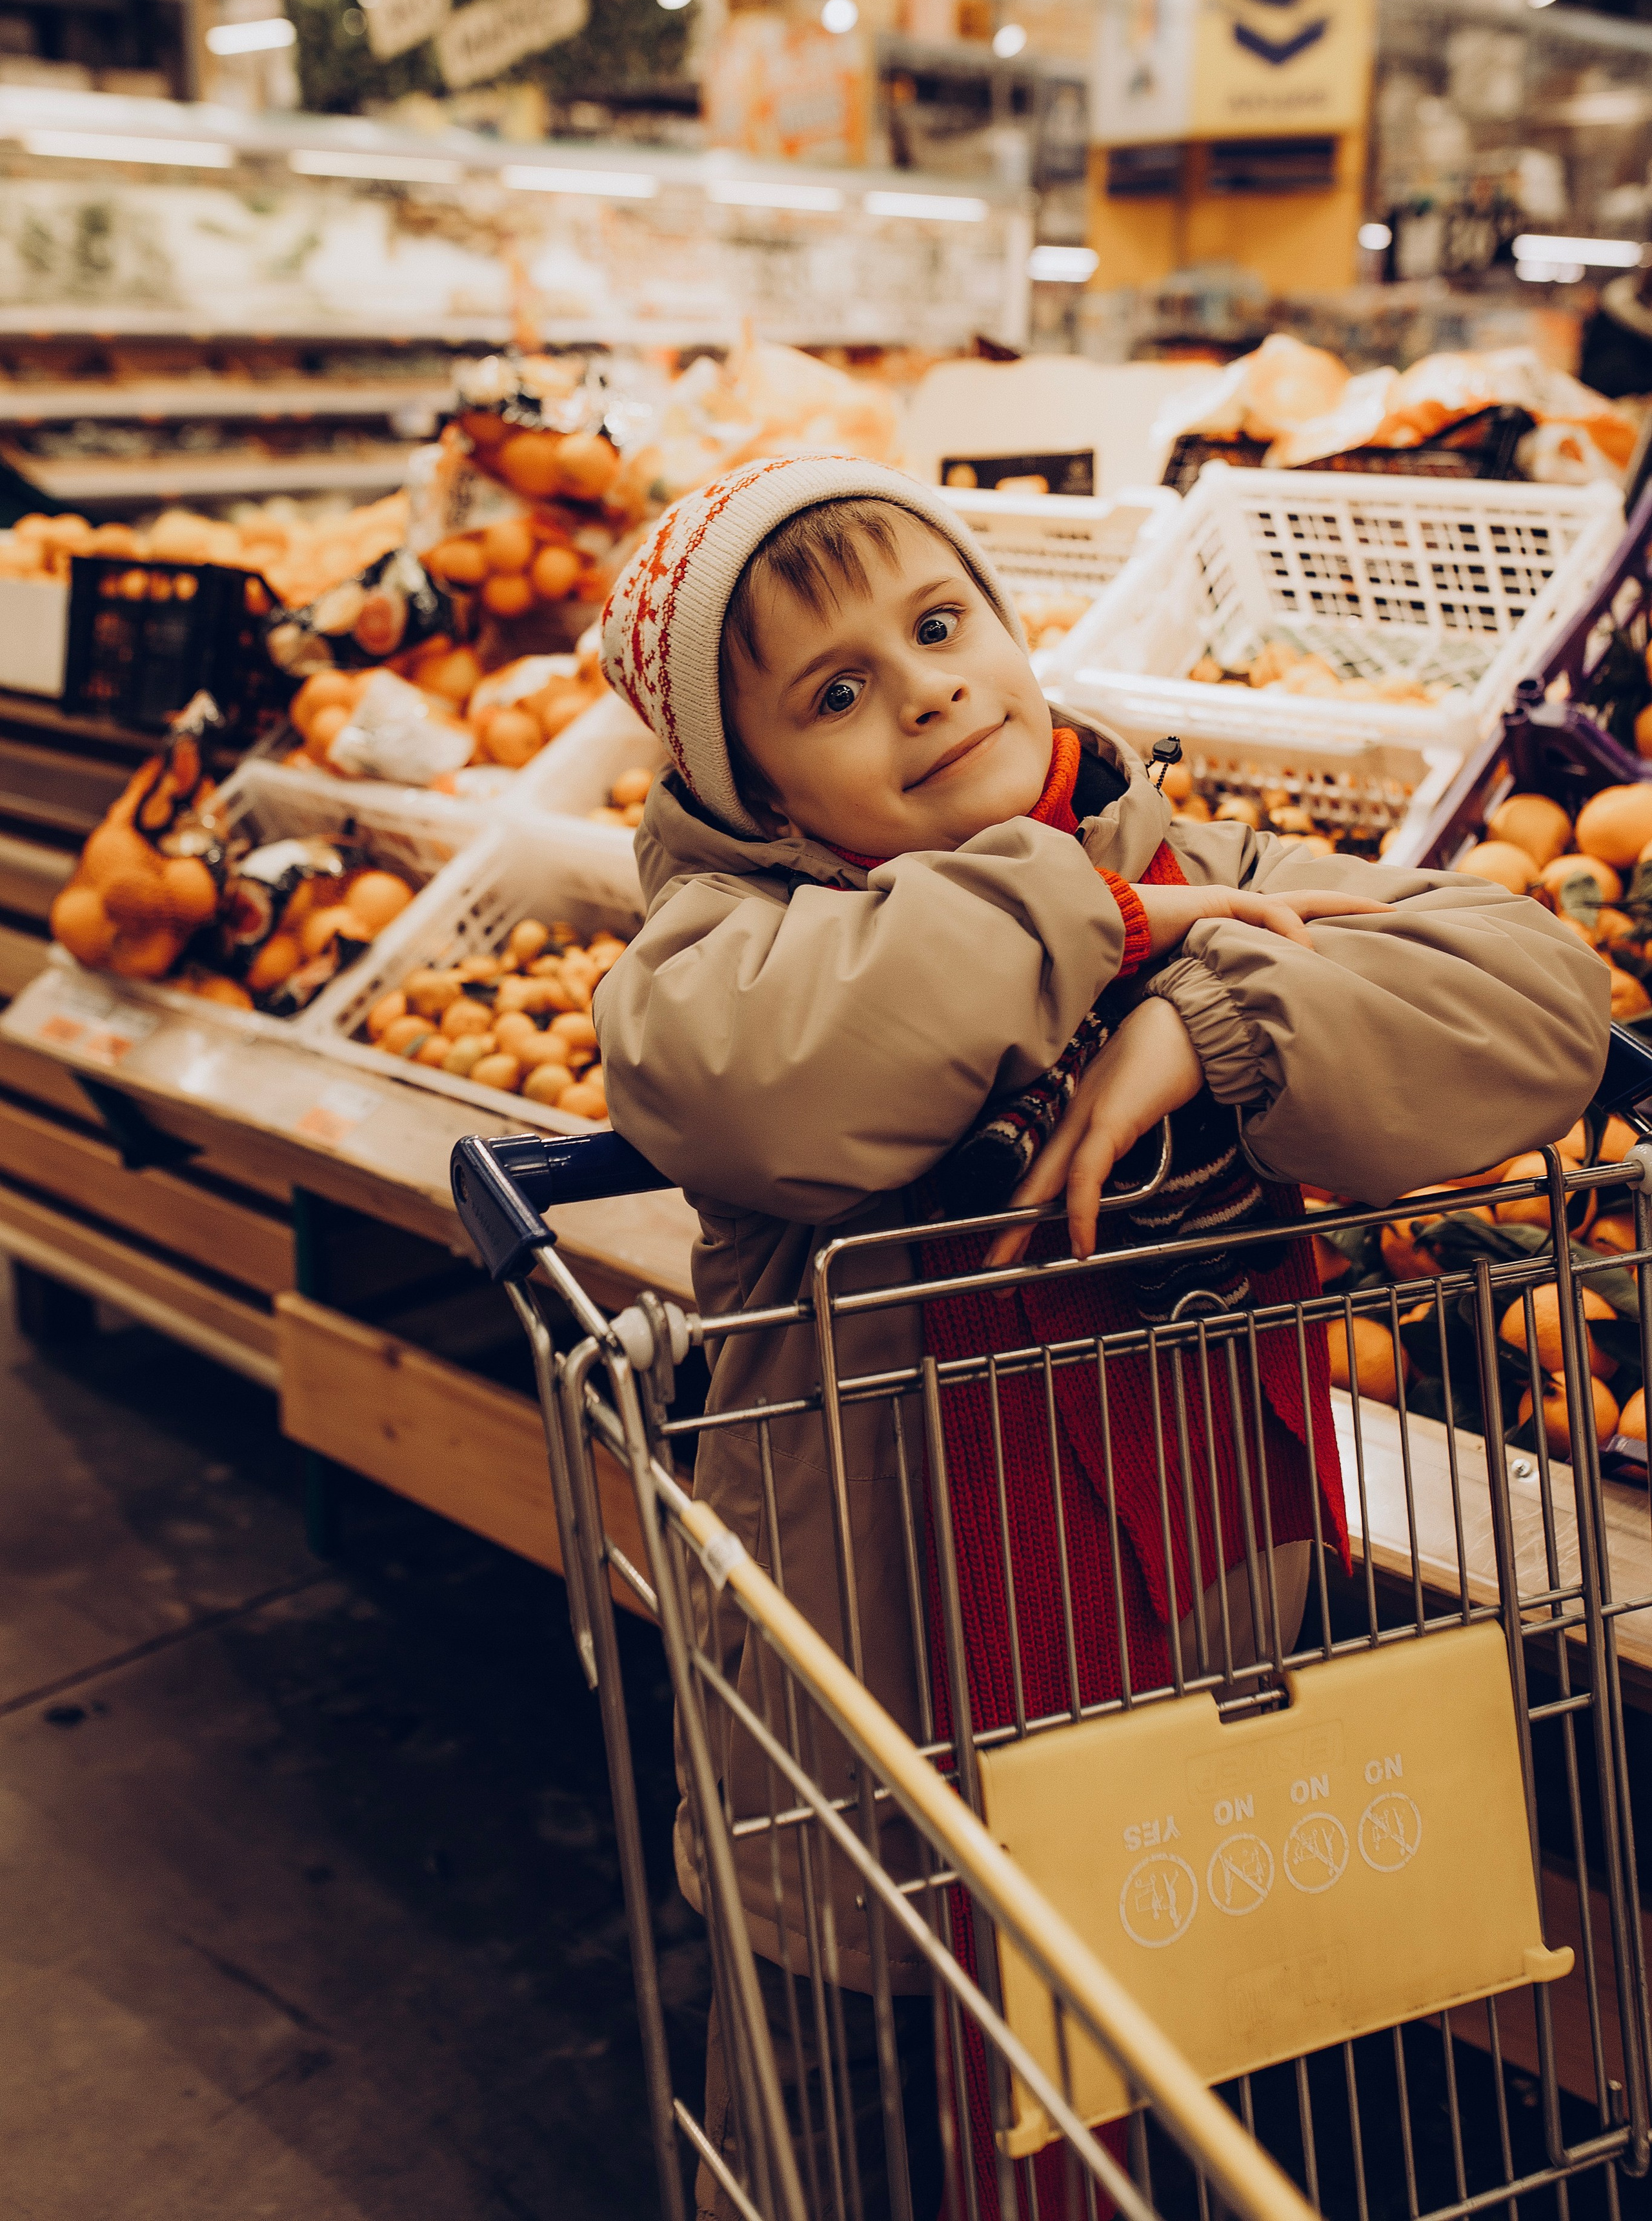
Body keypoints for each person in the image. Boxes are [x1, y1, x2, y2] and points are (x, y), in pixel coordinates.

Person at [593, 454, 1609, 2221]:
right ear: (745, 781)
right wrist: (1103, 919)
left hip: (1178, 1679)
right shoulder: (721, 954)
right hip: (863, 1736)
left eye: (938, 624)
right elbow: (793, 1080)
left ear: (1010, 627)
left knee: (1161, 2084)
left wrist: (1216, 1026)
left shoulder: (1193, 858)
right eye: (835, 691)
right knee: (846, 2136)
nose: (920, 689)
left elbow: (1534, 991)